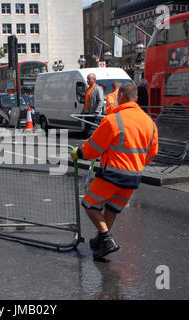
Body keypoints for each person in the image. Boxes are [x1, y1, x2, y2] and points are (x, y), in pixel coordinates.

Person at [70, 83, 158, 260]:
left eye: (118, 97)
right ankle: (101, 241)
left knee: (90, 205)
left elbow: (94, 147)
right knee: (112, 208)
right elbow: (152, 153)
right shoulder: (150, 123)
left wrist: (78, 153)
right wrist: (136, 164)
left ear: (122, 97)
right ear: (136, 99)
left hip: (112, 173)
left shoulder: (114, 120)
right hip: (133, 177)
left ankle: (107, 239)